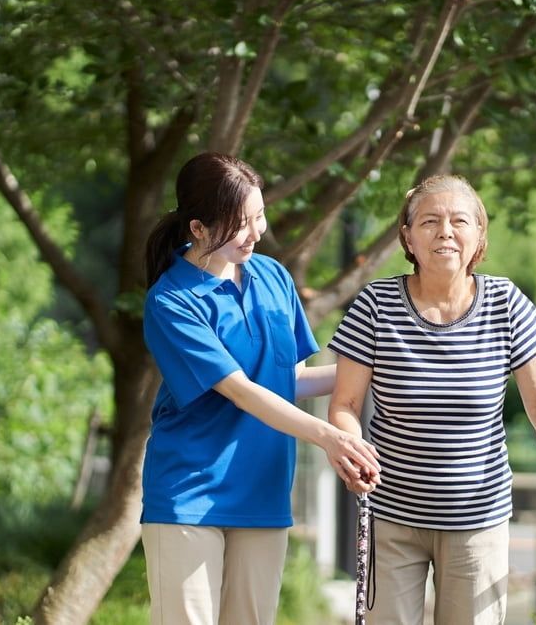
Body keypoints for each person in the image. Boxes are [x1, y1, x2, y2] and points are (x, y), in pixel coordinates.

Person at [328, 174, 536, 625]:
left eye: (460, 221)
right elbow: (346, 404)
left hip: (479, 519)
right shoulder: (375, 304)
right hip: (391, 514)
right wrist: (350, 449)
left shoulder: (505, 302)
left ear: (479, 237)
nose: (445, 232)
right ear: (407, 237)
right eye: (430, 221)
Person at [140, 152, 380, 625]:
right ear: (198, 228)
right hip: (189, 492)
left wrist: (374, 368)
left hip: (264, 490)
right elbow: (242, 392)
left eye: (259, 217)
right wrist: (330, 436)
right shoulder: (171, 301)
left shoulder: (274, 277)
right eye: (239, 223)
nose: (255, 233)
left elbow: (284, 380)